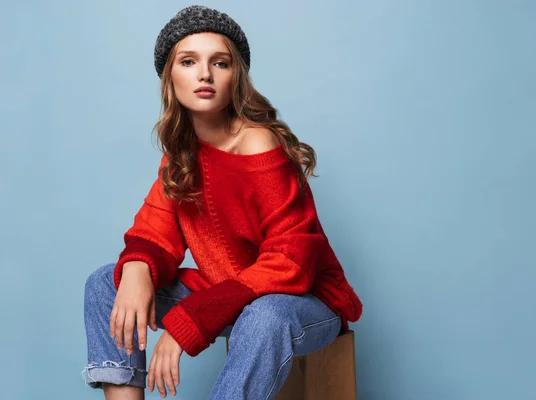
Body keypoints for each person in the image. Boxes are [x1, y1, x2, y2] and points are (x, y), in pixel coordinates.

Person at [81, 5, 363, 400]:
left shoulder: (258, 144)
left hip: (302, 305)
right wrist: (138, 270)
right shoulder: (181, 154)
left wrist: (192, 322)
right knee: (105, 283)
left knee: (266, 316)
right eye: (189, 61)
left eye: (221, 63)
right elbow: (153, 231)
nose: (204, 75)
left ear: (237, 77)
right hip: (229, 294)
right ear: (170, 78)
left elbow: (290, 264)